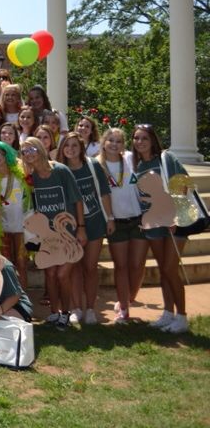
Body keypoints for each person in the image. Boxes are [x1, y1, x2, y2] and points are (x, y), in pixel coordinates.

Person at [132, 124, 188, 333]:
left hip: (174, 223)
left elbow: (183, 184)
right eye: (136, 138)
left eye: (144, 138)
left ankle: (182, 317)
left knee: (170, 269)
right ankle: (168, 313)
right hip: (153, 223)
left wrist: (176, 215)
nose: (140, 142)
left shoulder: (166, 158)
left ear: (153, 140)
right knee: (163, 269)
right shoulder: (138, 167)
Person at [20, 136, 82, 329]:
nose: (29, 154)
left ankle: (66, 312)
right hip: (46, 236)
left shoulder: (60, 170)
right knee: (51, 275)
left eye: (32, 149)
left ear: (40, 149)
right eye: (24, 151)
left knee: (63, 275)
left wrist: (81, 228)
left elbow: (77, 200)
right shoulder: (30, 178)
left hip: (67, 233)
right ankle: (54, 313)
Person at [57, 131, 112, 326]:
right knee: (75, 267)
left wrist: (110, 218)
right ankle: (76, 308)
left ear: (81, 147)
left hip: (95, 222)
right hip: (70, 226)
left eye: (74, 145)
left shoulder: (93, 165)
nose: (70, 149)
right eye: (66, 145)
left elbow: (104, 193)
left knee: (90, 267)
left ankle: (90, 308)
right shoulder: (60, 170)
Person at [98, 127, 145, 324]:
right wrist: (109, 218)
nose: (114, 144)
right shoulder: (97, 164)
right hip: (115, 223)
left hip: (139, 220)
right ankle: (124, 308)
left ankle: (129, 298)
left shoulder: (131, 159)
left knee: (137, 265)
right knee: (121, 266)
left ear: (124, 145)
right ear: (103, 143)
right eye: (111, 140)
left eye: (119, 141)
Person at [0, 141, 32, 289]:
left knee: (22, 263)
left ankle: (23, 299)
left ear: (6, 155)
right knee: (6, 266)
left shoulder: (20, 173)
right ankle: (10, 297)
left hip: (22, 226)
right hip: (1, 228)